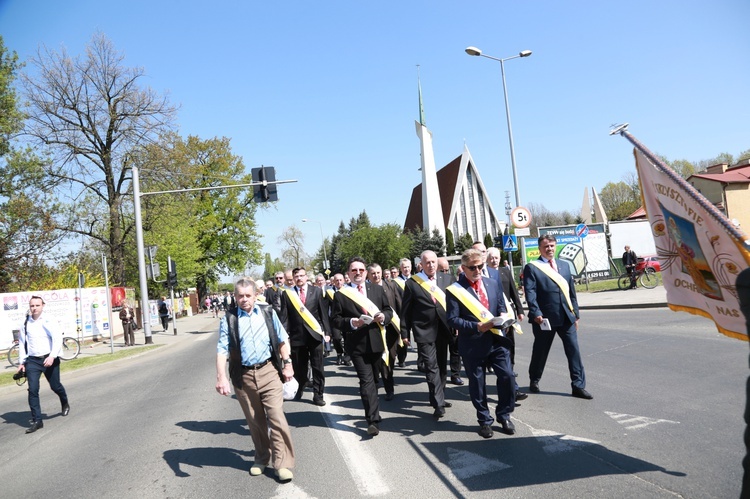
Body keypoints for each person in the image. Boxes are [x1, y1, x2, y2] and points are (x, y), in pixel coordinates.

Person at [215, 278, 296, 483]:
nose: (244, 300)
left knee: (276, 416)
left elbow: (281, 339)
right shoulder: (229, 319)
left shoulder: (268, 313)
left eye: (248, 295)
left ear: (255, 295)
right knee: (255, 421)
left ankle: (282, 463)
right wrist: (221, 377)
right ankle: (261, 457)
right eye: (240, 296)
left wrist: (287, 364)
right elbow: (222, 349)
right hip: (243, 376)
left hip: (268, 371)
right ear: (235, 297)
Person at [446, 249, 516, 438]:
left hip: (496, 340)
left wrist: (504, 317)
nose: (477, 270)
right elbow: (452, 320)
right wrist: (476, 326)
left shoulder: (493, 283)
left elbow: (501, 305)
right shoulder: (455, 290)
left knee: (508, 376)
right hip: (472, 343)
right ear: (463, 268)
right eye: (472, 267)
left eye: (480, 266)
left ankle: (504, 414)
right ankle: (484, 420)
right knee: (478, 384)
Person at [523, 235, 592, 399]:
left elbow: (571, 292)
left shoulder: (564, 265)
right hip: (545, 319)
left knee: (573, 350)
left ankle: (578, 385)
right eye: (546, 246)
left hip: (566, 317)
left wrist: (576, 313)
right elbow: (530, 293)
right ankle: (535, 379)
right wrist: (536, 312)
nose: (550, 249)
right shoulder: (532, 268)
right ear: (539, 249)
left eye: (552, 245)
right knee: (541, 351)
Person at [331, 257, 393, 436]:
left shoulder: (377, 289)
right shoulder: (341, 294)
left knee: (374, 380)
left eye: (360, 270)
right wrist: (352, 322)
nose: (357, 273)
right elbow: (335, 320)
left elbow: (389, 310)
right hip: (357, 345)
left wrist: (384, 317)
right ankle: (372, 420)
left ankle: (375, 411)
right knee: (366, 382)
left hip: (377, 342)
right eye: (354, 270)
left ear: (365, 272)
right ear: (348, 274)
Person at [400, 250, 456, 418]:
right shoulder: (413, 283)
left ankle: (439, 396)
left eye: (433, 262)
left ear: (437, 263)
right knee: (431, 367)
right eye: (427, 263)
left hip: (445, 330)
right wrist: (404, 332)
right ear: (421, 265)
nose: (431, 265)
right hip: (424, 331)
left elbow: (455, 304)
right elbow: (406, 311)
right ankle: (438, 403)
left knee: (441, 367)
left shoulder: (448, 279)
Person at [15, 296, 70, 434]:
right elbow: (22, 343)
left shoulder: (49, 320)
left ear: (43, 306)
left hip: (49, 358)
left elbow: (57, 338)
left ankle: (64, 401)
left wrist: (52, 356)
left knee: (55, 386)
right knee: (33, 390)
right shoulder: (25, 323)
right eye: (32, 305)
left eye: (37, 305)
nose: (34, 308)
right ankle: (37, 420)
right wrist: (22, 362)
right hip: (33, 361)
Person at [279, 267, 331, 406]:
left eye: (302, 275)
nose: (299, 278)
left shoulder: (317, 291)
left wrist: (327, 332)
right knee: (299, 366)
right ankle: (299, 388)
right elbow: (284, 318)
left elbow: (323, 313)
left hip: (315, 335)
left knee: (317, 367)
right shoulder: (287, 294)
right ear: (293, 278)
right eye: (297, 276)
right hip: (297, 336)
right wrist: (283, 337)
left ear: (306, 277)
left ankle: (318, 394)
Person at [368, 263, 402, 400]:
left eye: (378, 272)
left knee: (391, 358)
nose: (376, 276)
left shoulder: (391, 285)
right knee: (380, 360)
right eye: (373, 273)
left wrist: (403, 328)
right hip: (375, 331)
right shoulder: (366, 290)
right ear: (368, 275)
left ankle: (388, 382)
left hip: (392, 329)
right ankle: (387, 389)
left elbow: (399, 304)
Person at [439, 256, 463, 385]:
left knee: (455, 349)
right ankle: (441, 375)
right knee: (441, 352)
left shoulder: (452, 280)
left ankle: (455, 374)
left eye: (446, 270)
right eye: (441, 270)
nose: (444, 273)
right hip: (438, 323)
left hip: (452, 321)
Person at [327, 273, 351, 366]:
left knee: (348, 338)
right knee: (336, 338)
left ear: (344, 281)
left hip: (346, 319)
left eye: (341, 280)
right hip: (335, 319)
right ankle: (339, 353)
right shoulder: (329, 292)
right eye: (337, 280)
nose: (339, 282)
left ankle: (347, 357)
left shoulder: (349, 291)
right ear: (333, 282)